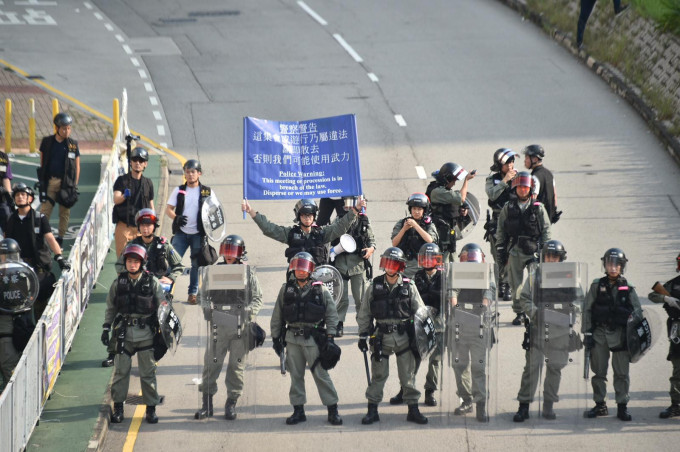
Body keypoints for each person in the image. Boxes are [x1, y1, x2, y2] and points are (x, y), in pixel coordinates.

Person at [270, 252, 343, 426]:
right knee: (296, 376)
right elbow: (277, 315)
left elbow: (332, 315)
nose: (301, 272)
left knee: (321, 375)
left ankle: (332, 409)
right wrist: (275, 338)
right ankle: (298, 410)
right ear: (293, 269)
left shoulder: (320, 289)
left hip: (313, 340)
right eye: (298, 268)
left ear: (310, 270)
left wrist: (331, 338)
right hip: (292, 339)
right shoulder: (285, 289)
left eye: (304, 269)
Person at [358, 247, 429, 425]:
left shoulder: (409, 286)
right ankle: (372, 410)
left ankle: (413, 409)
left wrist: (422, 336)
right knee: (378, 376)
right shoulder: (374, 286)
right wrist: (362, 335)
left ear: (400, 266)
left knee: (408, 376)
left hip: (404, 337)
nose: (390, 267)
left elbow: (420, 311)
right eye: (387, 263)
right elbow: (365, 312)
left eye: (394, 264)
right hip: (381, 337)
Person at [104, 208, 183, 367]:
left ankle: (154, 355)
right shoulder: (132, 245)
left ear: (154, 226)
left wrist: (170, 278)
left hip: (158, 289)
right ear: (138, 227)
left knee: (163, 324)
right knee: (121, 317)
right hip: (136, 287)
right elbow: (120, 265)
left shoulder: (163, 244)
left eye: (149, 225)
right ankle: (113, 353)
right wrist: (130, 275)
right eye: (142, 225)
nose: (146, 228)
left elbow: (178, 265)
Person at [195, 235, 263, 420]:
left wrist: (249, 312)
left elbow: (258, 297)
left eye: (233, 252)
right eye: (227, 251)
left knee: (236, 367)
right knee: (211, 365)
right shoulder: (213, 273)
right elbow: (202, 296)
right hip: (219, 325)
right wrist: (206, 308)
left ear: (240, 253)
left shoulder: (247, 274)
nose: (229, 256)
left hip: (240, 327)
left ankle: (231, 403)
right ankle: (206, 404)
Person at [513, 240, 581, 422]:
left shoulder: (569, 276)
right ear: (543, 257)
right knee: (531, 369)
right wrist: (537, 314)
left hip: (560, 332)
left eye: (555, 256)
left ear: (561, 259)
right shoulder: (535, 275)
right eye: (549, 256)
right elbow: (525, 298)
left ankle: (549, 404)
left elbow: (579, 300)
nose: (551, 260)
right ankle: (524, 406)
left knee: (555, 368)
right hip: (538, 330)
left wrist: (570, 311)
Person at [101, 244, 168, 424]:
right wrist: (106, 327)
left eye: (135, 261)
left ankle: (151, 408)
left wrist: (164, 333)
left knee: (148, 373)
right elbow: (111, 307)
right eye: (129, 261)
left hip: (146, 334)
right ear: (125, 263)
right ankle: (119, 408)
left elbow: (163, 306)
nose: (132, 265)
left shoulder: (152, 282)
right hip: (124, 335)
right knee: (121, 372)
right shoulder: (118, 283)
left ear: (142, 263)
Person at [583, 248, 640, 421]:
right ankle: (600, 405)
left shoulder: (628, 289)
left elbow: (638, 313)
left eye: (616, 265)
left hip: (621, 337)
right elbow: (586, 309)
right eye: (609, 264)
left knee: (621, 373)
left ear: (622, 267)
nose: (613, 268)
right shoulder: (596, 285)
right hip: (599, 334)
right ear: (605, 265)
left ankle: (622, 406)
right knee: (599, 372)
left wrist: (634, 338)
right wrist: (587, 333)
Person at [389, 243, 445, 407]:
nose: (428, 262)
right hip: (419, 325)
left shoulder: (445, 278)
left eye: (431, 258)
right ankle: (405, 390)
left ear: (437, 260)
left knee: (435, 362)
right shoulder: (415, 278)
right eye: (425, 259)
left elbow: (451, 302)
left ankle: (430, 391)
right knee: (413, 360)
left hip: (439, 326)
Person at [4, 183, 70, 318]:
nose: (20, 197)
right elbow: (6, 243)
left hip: (39, 268)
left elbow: (51, 239)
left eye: (23, 194)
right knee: (20, 308)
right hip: (19, 270)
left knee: (41, 305)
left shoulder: (40, 218)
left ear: (30, 199)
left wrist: (59, 257)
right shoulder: (11, 219)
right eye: (17, 195)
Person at [495, 171, 551, 326]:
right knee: (515, 285)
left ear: (530, 189)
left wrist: (545, 250)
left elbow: (546, 229)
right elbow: (500, 228)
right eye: (519, 187)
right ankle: (520, 313)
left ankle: (535, 312)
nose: (522, 190)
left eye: (525, 187)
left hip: (533, 250)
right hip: (515, 250)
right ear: (515, 188)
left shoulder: (538, 208)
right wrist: (500, 246)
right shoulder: (508, 207)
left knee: (534, 283)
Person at [448, 243, 496, 422]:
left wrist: (483, 307)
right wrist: (455, 307)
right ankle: (466, 399)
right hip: (459, 326)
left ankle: (481, 404)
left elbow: (489, 291)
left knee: (478, 367)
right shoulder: (456, 273)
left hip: (479, 327)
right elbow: (452, 291)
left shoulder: (486, 273)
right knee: (459, 366)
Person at [242, 197, 365, 266]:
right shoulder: (290, 234)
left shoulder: (322, 233)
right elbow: (269, 228)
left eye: (310, 215)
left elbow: (340, 227)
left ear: (314, 216)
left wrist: (355, 210)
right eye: (304, 215)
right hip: (296, 278)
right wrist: (251, 211)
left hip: (318, 277)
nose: (307, 218)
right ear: (298, 216)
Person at [165, 159, 214, 305]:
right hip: (181, 233)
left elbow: (215, 210)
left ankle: (192, 293)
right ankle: (165, 291)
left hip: (198, 234)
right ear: (185, 174)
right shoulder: (179, 190)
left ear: (199, 173)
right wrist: (176, 218)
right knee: (172, 262)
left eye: (193, 172)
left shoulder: (207, 191)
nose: (190, 174)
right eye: (187, 172)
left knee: (195, 265)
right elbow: (168, 209)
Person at [330, 196, 376, 337]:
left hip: (358, 265)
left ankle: (364, 325)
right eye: (348, 205)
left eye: (353, 205)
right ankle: (338, 323)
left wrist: (369, 250)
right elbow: (331, 235)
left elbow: (372, 241)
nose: (350, 208)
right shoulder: (339, 220)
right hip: (340, 265)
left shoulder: (364, 221)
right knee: (340, 298)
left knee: (361, 298)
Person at [0, 238, 37, 391]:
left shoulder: (7, 274)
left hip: (7, 326)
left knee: (8, 363)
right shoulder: (26, 271)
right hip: (24, 322)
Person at [38, 112, 80, 246]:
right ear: (57, 128)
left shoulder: (73, 144)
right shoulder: (47, 142)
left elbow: (77, 166)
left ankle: (60, 238)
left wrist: (74, 185)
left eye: (69, 128)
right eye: (64, 128)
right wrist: (43, 181)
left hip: (67, 184)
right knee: (44, 211)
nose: (67, 131)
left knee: (64, 213)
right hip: (51, 182)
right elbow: (42, 161)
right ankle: (40, 237)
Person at [647, 252, 680, 419]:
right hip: (678, 332)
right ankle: (676, 405)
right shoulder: (674, 285)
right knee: (678, 369)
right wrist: (667, 299)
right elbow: (652, 295)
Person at [484, 148, 518, 301]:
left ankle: (508, 285)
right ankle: (500, 283)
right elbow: (492, 195)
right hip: (497, 222)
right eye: (507, 162)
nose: (511, 165)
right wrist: (505, 181)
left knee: (511, 254)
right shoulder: (492, 180)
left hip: (514, 221)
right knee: (498, 255)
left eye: (512, 162)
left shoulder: (518, 178)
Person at [426, 162, 476, 263]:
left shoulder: (443, 189)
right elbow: (461, 198)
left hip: (449, 231)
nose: (454, 183)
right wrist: (466, 180)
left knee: (452, 262)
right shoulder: (437, 191)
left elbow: (452, 203)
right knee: (441, 263)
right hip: (440, 232)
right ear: (447, 179)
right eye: (453, 180)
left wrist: (462, 208)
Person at [112, 147, 155, 256]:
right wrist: (124, 196)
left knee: (143, 260)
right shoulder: (122, 180)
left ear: (145, 164)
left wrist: (153, 223)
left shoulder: (148, 183)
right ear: (130, 162)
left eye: (141, 161)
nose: (137, 163)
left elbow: (151, 205)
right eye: (135, 160)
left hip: (142, 228)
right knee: (123, 262)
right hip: (124, 227)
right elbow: (116, 199)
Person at [391, 193, 438, 279]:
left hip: (424, 266)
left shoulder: (429, 225)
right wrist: (404, 229)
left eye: (419, 209)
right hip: (406, 266)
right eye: (414, 208)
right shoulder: (402, 223)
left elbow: (430, 240)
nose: (416, 212)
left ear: (424, 210)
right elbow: (394, 243)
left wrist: (416, 226)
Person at [523, 145, 560, 224]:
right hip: (548, 217)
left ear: (535, 159)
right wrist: (554, 211)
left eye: (526, 158)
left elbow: (533, 198)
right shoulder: (549, 173)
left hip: (538, 221)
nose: (524, 161)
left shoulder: (535, 177)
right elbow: (554, 195)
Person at [0, 149, 13, 233]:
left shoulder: (3, 157)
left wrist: (10, 199)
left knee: (7, 218)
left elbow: (6, 178)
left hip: (1, 197)